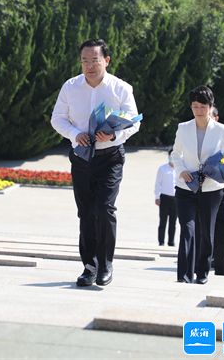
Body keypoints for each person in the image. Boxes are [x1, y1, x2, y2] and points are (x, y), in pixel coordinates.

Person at [51, 39, 140, 287]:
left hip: (110, 157)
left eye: (95, 60)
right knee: (86, 212)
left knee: (104, 208)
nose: (89, 66)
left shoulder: (121, 88)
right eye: (85, 61)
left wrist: (113, 136)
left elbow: (134, 121)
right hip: (81, 157)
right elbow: (57, 119)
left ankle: (106, 264)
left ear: (106, 60)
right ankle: (89, 267)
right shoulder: (70, 87)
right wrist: (74, 134)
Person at [171, 86, 224, 284]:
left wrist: (219, 173)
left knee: (207, 232)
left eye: (203, 107)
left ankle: (202, 272)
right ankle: (184, 274)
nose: (199, 111)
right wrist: (181, 170)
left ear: (210, 107)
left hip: (211, 189)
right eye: (195, 106)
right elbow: (175, 154)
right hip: (186, 186)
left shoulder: (221, 130)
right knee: (187, 229)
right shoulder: (183, 128)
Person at [154, 149, 177, 246]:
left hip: (176, 199)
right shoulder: (162, 169)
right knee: (163, 221)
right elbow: (158, 183)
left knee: (173, 222)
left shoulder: (180, 169)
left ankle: (171, 241)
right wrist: (157, 196)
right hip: (164, 198)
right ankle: (161, 241)